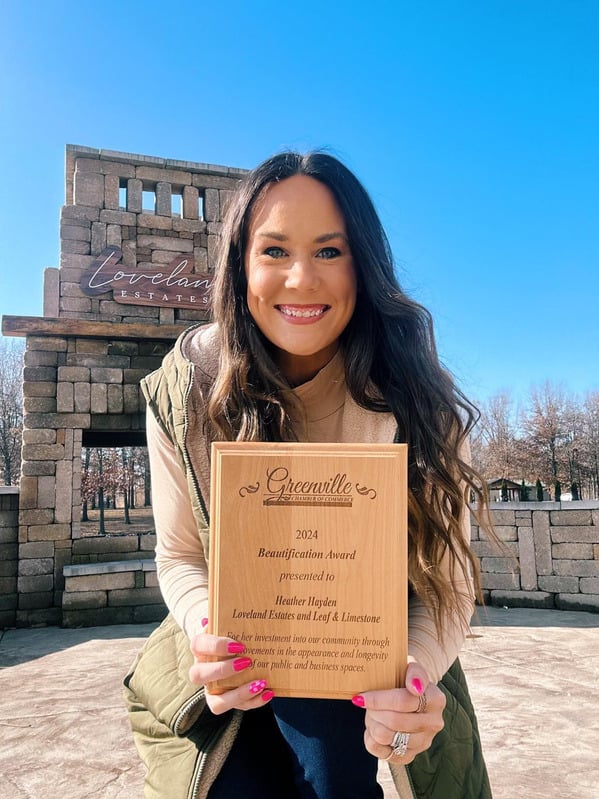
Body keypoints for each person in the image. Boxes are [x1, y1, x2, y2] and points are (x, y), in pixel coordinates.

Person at [124, 151, 493, 799]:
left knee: (337, 779)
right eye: (273, 251)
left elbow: (446, 582)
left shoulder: (417, 398)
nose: (300, 279)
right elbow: (179, 552)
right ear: (240, 265)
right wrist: (206, 629)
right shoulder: (186, 384)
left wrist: (410, 672)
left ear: (365, 263)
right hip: (229, 655)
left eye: (329, 251)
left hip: (356, 657)